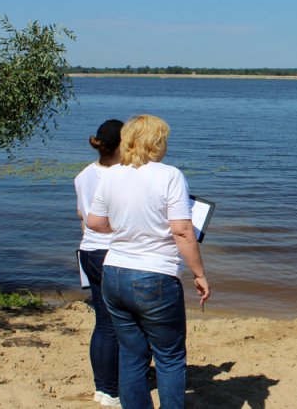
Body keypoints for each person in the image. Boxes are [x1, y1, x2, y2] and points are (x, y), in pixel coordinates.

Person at [87, 115, 210, 409]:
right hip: (154, 275)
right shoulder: (169, 175)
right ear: (155, 143)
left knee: (131, 355)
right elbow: (182, 230)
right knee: (169, 357)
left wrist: (125, 229)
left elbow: (94, 222)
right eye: (164, 140)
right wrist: (199, 273)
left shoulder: (111, 175)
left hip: (114, 272)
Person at [75, 119, 124, 408]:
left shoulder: (83, 175)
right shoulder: (121, 175)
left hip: (89, 251)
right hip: (112, 252)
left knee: (103, 323)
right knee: (119, 325)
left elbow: (81, 215)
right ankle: (113, 390)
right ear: (122, 145)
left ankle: (103, 388)